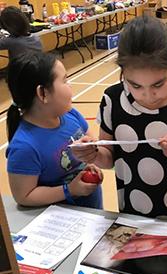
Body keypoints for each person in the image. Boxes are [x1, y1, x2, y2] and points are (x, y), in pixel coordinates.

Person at [72, 16, 167, 224]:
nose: (148, 96)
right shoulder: (113, 100)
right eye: (136, 86)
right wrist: (93, 153)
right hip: (131, 218)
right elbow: (108, 158)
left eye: (158, 84)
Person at [6, 51, 103, 209]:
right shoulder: (24, 146)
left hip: (91, 210)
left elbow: (89, 137)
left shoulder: (71, 114)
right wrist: (69, 190)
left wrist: (90, 156)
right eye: (65, 80)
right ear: (43, 93)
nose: (70, 85)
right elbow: (24, 195)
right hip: (61, 222)